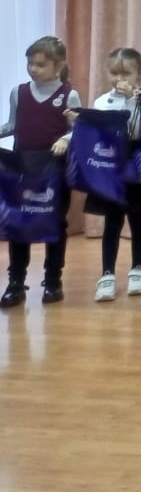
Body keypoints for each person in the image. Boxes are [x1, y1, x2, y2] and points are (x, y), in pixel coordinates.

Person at [0, 36, 79, 309]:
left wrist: (65, 140)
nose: (33, 69)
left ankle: (53, 281)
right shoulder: (18, 92)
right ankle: (15, 282)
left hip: (53, 169)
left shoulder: (68, 95)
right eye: (30, 63)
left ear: (58, 66)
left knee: (54, 223)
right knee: (17, 222)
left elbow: (77, 129)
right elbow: (12, 125)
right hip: (22, 167)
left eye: (40, 64)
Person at [78, 47, 141, 302]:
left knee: (137, 218)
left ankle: (137, 269)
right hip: (111, 167)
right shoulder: (102, 101)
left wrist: (134, 101)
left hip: (136, 166)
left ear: (139, 73)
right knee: (112, 221)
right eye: (114, 73)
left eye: (126, 73)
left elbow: (139, 131)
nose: (119, 79)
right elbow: (95, 135)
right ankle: (107, 275)